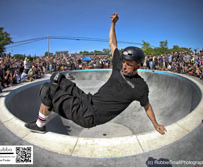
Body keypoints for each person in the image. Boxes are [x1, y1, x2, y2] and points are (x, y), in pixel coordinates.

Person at [25, 13, 166, 135]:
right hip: (88, 99)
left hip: (89, 115)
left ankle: (40, 125)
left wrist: (156, 124)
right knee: (56, 77)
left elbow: (147, 106)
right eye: (123, 62)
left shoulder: (140, 87)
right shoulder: (118, 65)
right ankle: (52, 104)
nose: (124, 66)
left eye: (129, 64)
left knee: (47, 89)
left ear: (138, 65)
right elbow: (112, 43)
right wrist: (113, 23)